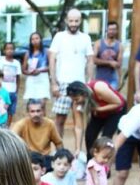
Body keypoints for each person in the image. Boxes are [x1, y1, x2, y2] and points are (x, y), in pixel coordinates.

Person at [48, 8, 94, 139]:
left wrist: (89, 82)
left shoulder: (86, 38)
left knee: (78, 120)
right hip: (62, 83)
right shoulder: (59, 36)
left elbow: (90, 60)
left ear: (80, 21)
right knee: (60, 120)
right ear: (66, 20)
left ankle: (77, 152)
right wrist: (53, 82)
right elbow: (52, 59)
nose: (73, 24)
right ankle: (59, 151)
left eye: (76, 21)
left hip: (80, 85)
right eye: (71, 21)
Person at [66, 79, 126, 152]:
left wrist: (98, 109)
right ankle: (90, 161)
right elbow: (78, 127)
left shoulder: (99, 88)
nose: (75, 102)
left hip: (116, 111)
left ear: (84, 94)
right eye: (73, 100)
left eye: (77, 99)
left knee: (105, 137)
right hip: (97, 112)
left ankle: (104, 159)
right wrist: (78, 148)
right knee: (89, 136)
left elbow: (119, 103)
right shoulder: (76, 103)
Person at [22, 32, 50, 114]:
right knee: (31, 104)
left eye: (37, 38)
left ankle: (43, 124)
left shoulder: (47, 52)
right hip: (32, 80)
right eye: (32, 39)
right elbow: (24, 70)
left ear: (41, 39)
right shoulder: (28, 53)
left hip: (42, 79)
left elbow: (50, 67)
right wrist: (30, 73)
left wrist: (40, 70)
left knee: (42, 104)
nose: (35, 41)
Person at [93, 21, 122, 90]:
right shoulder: (98, 43)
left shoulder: (120, 46)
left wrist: (120, 79)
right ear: (107, 30)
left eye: (114, 29)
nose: (112, 31)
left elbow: (119, 64)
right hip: (99, 79)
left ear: (117, 31)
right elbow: (93, 60)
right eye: (110, 29)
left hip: (113, 79)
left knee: (111, 99)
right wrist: (109, 62)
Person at [0, 42, 21, 125]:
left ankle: (7, 127)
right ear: (4, 50)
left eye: (11, 49)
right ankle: (1, 126)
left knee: (11, 111)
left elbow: (18, 78)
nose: (9, 51)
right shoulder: (1, 62)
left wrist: (16, 90)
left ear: (14, 50)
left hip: (12, 91)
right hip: (3, 91)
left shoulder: (17, 63)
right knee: (2, 110)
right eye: (7, 49)